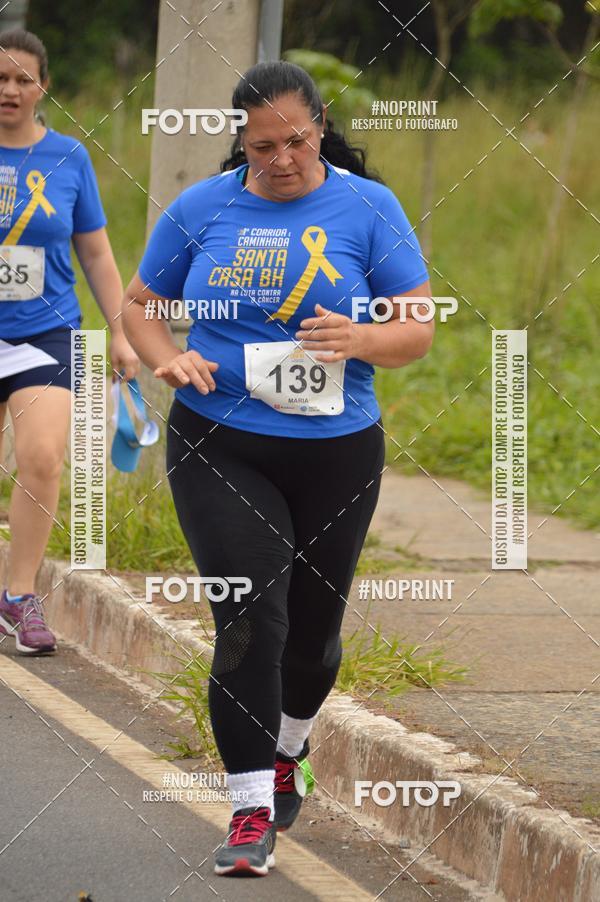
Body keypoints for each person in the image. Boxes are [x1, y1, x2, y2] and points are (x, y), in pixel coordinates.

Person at [122, 60, 433, 877]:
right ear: (243, 144)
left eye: (294, 140)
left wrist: (361, 338)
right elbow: (139, 305)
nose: (281, 159)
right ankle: (250, 806)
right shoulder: (203, 207)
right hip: (219, 440)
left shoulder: (372, 209)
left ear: (320, 124)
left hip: (337, 451)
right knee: (250, 616)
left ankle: (291, 744)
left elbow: (417, 328)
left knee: (314, 636)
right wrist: (166, 360)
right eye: (262, 147)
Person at [0, 30, 138, 654]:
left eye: (22, 79)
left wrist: (120, 330)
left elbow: (97, 253)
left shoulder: (69, 158)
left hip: (45, 332)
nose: (9, 90)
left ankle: (18, 596)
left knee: (43, 457)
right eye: (0, 79)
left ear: (42, 87)